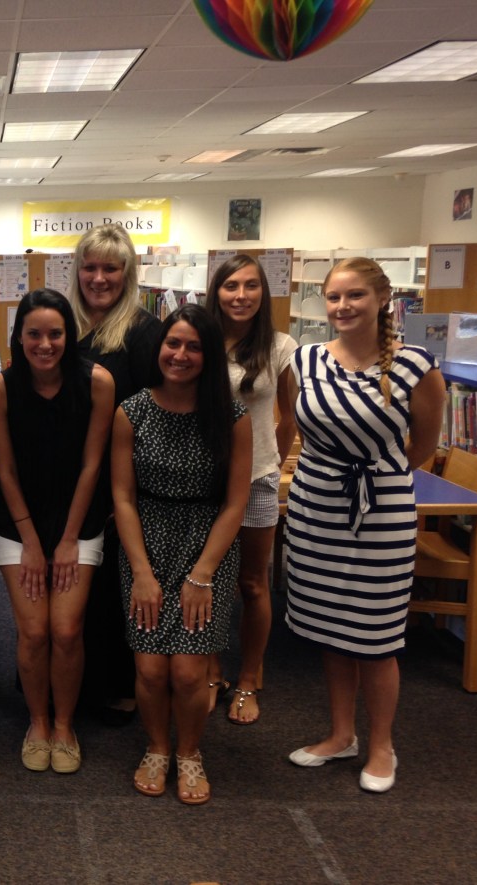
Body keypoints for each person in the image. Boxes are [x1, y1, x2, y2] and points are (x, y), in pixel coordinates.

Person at [285, 257, 444, 794]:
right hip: (314, 508)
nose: (342, 307)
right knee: (332, 629)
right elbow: (294, 424)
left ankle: (381, 745)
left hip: (381, 509)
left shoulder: (415, 365)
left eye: (355, 296)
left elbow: (421, 447)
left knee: (375, 636)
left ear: (382, 299)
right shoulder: (305, 359)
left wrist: (377, 471)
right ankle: (340, 735)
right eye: (334, 297)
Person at [113, 304, 252, 805]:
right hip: (145, 544)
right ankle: (156, 747)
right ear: (159, 349)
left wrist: (204, 574)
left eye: (194, 346)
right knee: (151, 669)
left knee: (191, 671)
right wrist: (142, 572)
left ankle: (189, 752)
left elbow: (236, 502)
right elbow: (123, 498)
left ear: (209, 355)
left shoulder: (231, 417)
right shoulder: (131, 411)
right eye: (173, 343)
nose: (181, 354)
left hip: (207, 546)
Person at [0, 289, 114, 774]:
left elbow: (91, 466)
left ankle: (65, 724)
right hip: (18, 522)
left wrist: (66, 539)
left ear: (69, 335)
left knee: (66, 629)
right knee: (35, 631)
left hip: (77, 519)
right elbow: (7, 469)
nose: (45, 344)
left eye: (55, 333)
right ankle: (37, 722)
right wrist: (34, 543)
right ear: (18, 337)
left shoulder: (97, 382)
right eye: (34, 334)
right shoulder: (0, 388)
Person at [67, 223, 163, 727]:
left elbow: (156, 411)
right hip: (66, 477)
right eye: (90, 266)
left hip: (120, 483)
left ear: (127, 274)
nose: (99, 277)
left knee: (111, 590)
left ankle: (115, 688)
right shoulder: (63, 325)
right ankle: (72, 686)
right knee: (71, 589)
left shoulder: (145, 333)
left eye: (110, 267)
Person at [203, 255, 298, 725]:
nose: (241, 295)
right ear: (215, 291)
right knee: (208, 580)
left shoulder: (281, 346)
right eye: (231, 286)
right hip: (204, 481)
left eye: (251, 286)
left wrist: (270, 460)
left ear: (264, 293)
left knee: (253, 584)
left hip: (257, 480)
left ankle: (248, 676)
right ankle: (213, 669)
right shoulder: (200, 340)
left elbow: (289, 415)